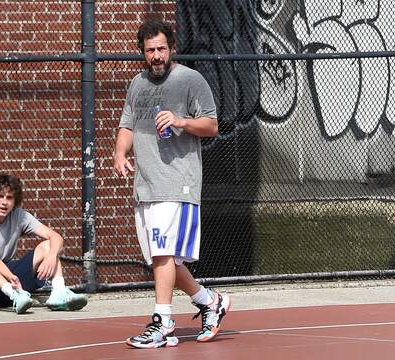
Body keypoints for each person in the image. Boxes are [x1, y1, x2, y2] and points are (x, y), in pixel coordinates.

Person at [113, 17, 230, 348]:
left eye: (161, 49)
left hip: (178, 183)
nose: (156, 56)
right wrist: (120, 153)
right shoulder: (136, 84)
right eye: (150, 50)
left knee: (164, 255)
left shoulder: (190, 81)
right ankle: (209, 301)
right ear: (142, 52)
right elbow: (127, 125)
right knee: (164, 262)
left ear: (172, 48)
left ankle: (162, 321)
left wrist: (180, 120)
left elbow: (211, 126)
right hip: (145, 185)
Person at [0, 172, 88, 313]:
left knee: (49, 246)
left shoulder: (19, 216)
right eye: (0, 196)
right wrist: (11, 279)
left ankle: (59, 293)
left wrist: (51, 256)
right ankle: (15, 294)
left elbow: (55, 236)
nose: (4, 202)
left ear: (15, 202)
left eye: (9, 198)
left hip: (5, 288)